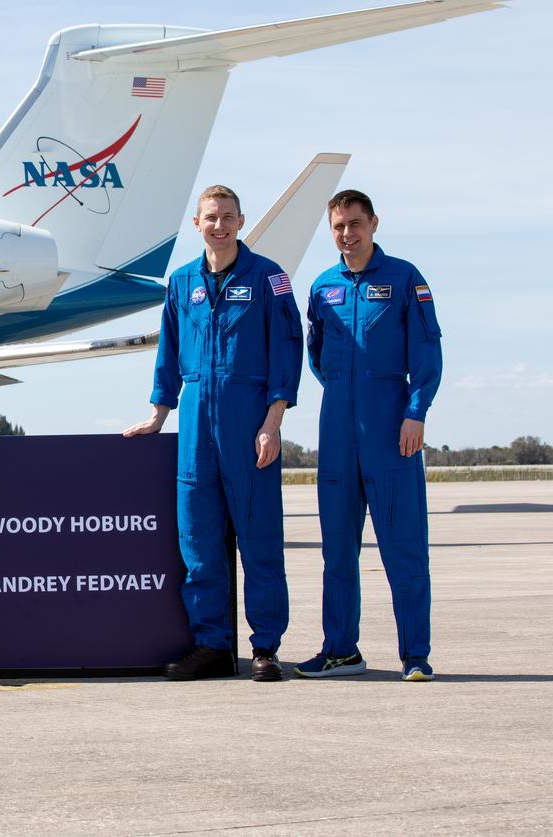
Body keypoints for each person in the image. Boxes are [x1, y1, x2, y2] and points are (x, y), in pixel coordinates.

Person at [124, 185, 303, 682]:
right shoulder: (181, 283)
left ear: (241, 221)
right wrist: (159, 413)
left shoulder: (270, 279)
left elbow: (286, 352)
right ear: (196, 223)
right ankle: (211, 646)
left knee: (260, 542)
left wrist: (273, 423)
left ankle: (265, 648)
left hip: (250, 425)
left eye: (227, 217)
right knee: (198, 545)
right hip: (196, 426)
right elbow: (170, 355)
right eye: (210, 217)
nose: (219, 225)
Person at [297, 190, 442, 682]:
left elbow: (427, 352)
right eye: (338, 226)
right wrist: (343, 393)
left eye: (355, 224)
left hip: (390, 427)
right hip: (337, 427)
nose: (347, 234)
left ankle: (415, 655)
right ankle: (341, 650)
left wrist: (415, 412)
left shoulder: (404, 278)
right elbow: (316, 355)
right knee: (337, 550)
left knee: (403, 547)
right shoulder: (322, 286)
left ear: (373, 223)